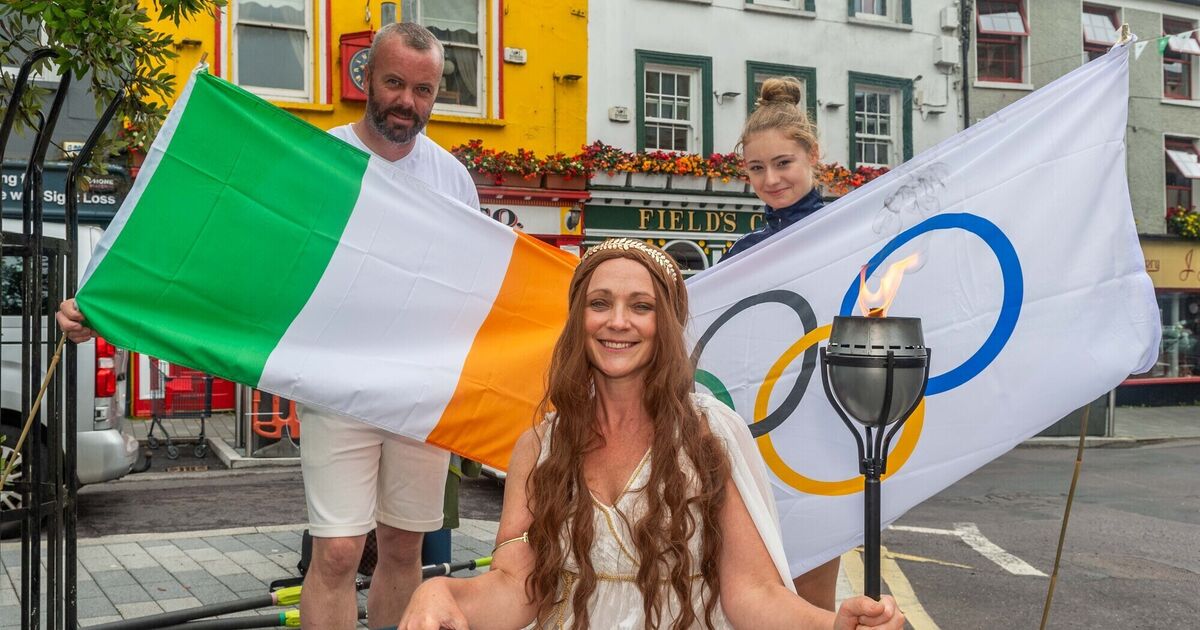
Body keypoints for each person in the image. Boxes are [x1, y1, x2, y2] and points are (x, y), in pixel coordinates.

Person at [56, 22, 480, 630]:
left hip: (419, 396)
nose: (408, 103)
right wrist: (103, 303)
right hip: (338, 390)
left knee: (405, 548)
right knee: (335, 550)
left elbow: (475, 290)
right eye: (394, 83)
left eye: (424, 90)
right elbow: (229, 255)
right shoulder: (318, 161)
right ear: (367, 78)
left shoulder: (454, 181)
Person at [397, 238, 904, 630]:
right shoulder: (540, 446)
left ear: (666, 323)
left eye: (641, 306)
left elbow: (752, 592)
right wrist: (440, 593)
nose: (618, 322)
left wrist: (833, 623)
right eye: (600, 303)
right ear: (578, 320)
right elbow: (516, 588)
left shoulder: (710, 436)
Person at [718, 76, 840, 610]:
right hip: (757, 433)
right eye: (756, 168)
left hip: (825, 429)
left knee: (811, 589)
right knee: (752, 587)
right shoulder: (743, 250)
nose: (770, 179)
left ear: (813, 155)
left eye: (784, 163)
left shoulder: (846, 230)